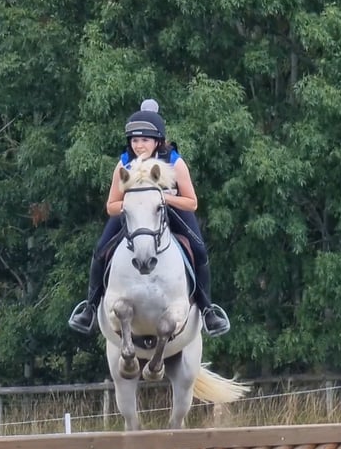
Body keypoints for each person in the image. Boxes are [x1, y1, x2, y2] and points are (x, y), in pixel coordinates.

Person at [68, 99, 230, 337]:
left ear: (157, 141)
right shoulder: (124, 164)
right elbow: (111, 206)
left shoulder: (175, 162)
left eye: (144, 140)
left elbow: (192, 202)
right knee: (101, 249)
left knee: (199, 248)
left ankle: (208, 311)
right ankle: (90, 308)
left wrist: (164, 199)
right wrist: (135, 204)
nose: (139, 145)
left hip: (171, 209)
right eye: (135, 140)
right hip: (134, 214)